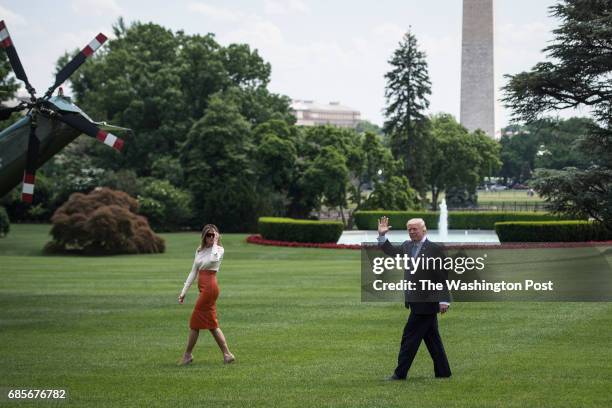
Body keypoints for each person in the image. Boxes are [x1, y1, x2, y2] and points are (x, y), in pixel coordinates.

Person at [377, 216, 452, 380]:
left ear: (424, 229)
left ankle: (400, 373)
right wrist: (382, 236)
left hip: (427, 301)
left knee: (409, 338)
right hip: (414, 299)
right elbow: (392, 252)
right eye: (409, 229)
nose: (411, 232)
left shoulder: (435, 249)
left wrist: (444, 299)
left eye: (414, 229)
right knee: (433, 340)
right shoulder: (407, 246)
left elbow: (442, 276)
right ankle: (443, 372)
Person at [178, 224, 235, 365]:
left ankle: (187, 355)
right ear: (204, 236)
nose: (210, 237)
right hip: (203, 287)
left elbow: (214, 259)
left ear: (217, 236)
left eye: (213, 235)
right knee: (212, 324)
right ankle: (227, 354)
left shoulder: (219, 250)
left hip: (210, 287)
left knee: (194, 323)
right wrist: (183, 292)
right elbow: (193, 272)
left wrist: (215, 243)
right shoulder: (199, 251)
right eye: (208, 235)